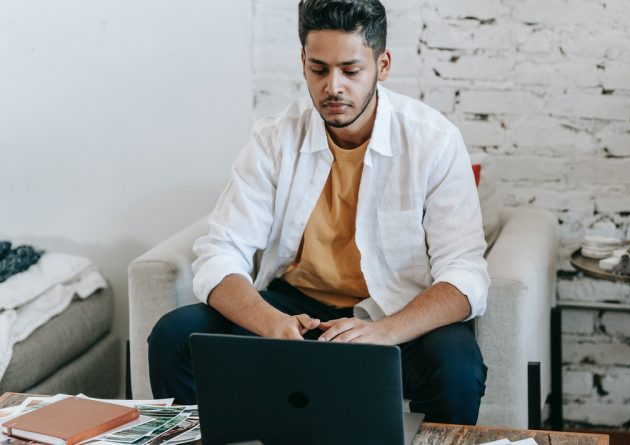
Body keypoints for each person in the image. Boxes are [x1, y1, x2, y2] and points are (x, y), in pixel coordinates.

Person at [148, 0, 490, 425]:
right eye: (319, 69)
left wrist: (384, 333)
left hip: (392, 315)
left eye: (350, 70)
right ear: (302, 63)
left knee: (457, 365)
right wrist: (272, 323)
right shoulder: (274, 138)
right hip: (297, 312)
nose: (333, 87)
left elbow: (464, 276)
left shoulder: (433, 140)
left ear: (382, 65)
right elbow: (221, 253)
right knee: (175, 336)